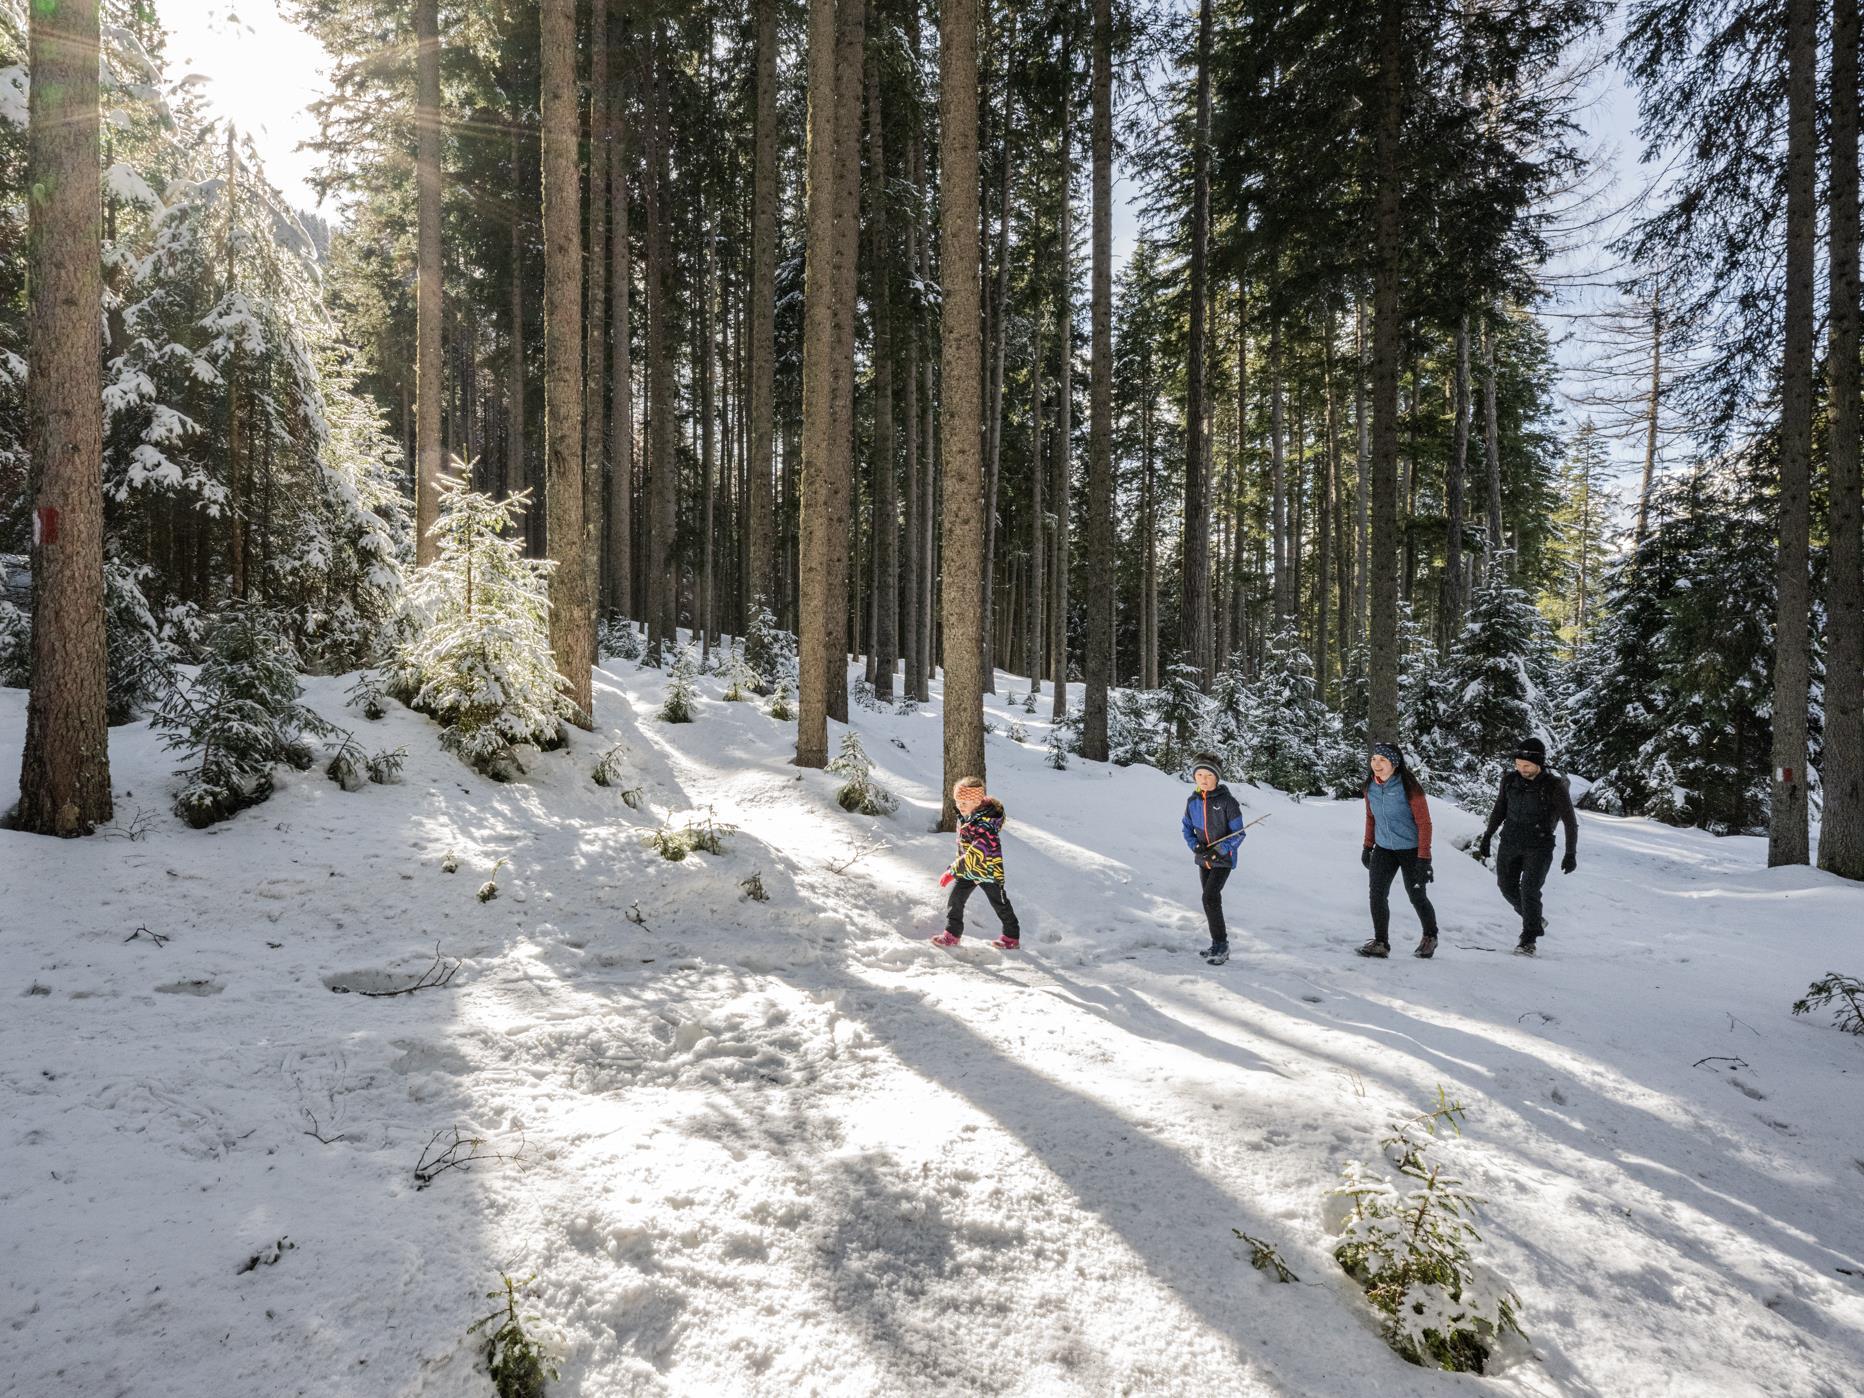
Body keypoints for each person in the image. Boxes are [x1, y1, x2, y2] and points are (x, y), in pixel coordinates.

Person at [1475, 736, 1577, 956]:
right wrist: (1487, 836)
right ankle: (1535, 920)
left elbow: (1570, 821)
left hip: (1539, 846)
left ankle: (1528, 939)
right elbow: (1499, 809)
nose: (1522, 769)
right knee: (1505, 886)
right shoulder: (1510, 781)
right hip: (1510, 842)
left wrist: (1570, 853)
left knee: (1529, 890)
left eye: (1527, 766)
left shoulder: (1554, 786)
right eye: (1518, 765)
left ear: (1539, 764)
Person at [1358, 742, 1439, 959]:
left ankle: (1430, 936)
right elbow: (1371, 817)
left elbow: (1424, 823)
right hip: (1384, 849)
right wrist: (1368, 846)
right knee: (1376, 894)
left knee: (1416, 896)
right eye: (1374, 759)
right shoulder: (1370, 787)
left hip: (1411, 850)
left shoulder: (1408, 787)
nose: (1377, 764)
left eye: (1383, 760)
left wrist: (1424, 858)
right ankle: (1381, 942)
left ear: (1394, 764)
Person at [932, 777, 1021, 950]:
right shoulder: (967, 817)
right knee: (955, 900)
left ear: (977, 801)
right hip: (969, 871)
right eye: (958, 801)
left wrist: (953, 871)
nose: (960, 806)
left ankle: (1011, 937)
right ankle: (952, 935)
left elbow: (977, 853)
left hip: (988, 872)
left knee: (1000, 904)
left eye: (964, 802)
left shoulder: (985, 825)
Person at [1180, 753, 1246, 965]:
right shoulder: (1192, 802)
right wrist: (1195, 846)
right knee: (1211, 901)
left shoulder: (1228, 802)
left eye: (1208, 775)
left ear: (1217, 777)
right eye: (1199, 774)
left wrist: (1220, 850)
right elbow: (1187, 829)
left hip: (1222, 860)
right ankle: (1217, 943)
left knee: (1209, 897)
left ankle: (1222, 945)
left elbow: (1239, 834)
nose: (1203, 779)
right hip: (1203, 859)